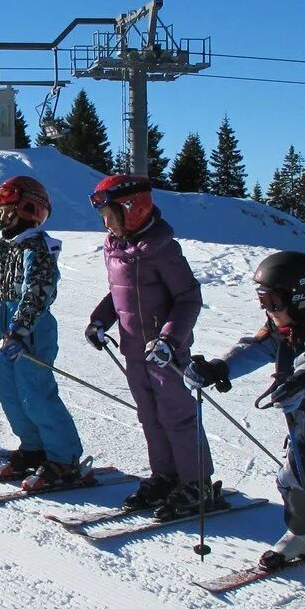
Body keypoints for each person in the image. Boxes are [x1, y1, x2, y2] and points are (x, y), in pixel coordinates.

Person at [185, 251, 305, 590]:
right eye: (262, 300)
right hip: (302, 420)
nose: (266, 308)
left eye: (272, 299)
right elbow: (253, 349)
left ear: (300, 297)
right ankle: (304, 534)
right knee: (293, 478)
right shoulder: (281, 327)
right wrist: (218, 368)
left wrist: (300, 381)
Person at [84, 174, 216, 519]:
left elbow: (189, 298)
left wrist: (170, 339)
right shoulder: (115, 247)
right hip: (134, 350)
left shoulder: (161, 248)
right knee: (149, 416)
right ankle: (166, 476)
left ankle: (196, 483)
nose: (105, 222)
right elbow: (119, 296)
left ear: (132, 209)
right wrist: (100, 320)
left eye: (109, 214)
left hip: (165, 351)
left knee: (177, 415)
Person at [0, 176, 86, 490]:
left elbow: (37, 293)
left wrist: (19, 330)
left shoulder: (37, 247)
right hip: (6, 323)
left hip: (32, 327)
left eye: (9, 211)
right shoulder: (3, 249)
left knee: (35, 392)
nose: (2, 218)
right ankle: (33, 448)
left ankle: (64, 458)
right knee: (10, 392)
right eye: (0, 211)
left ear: (29, 210)